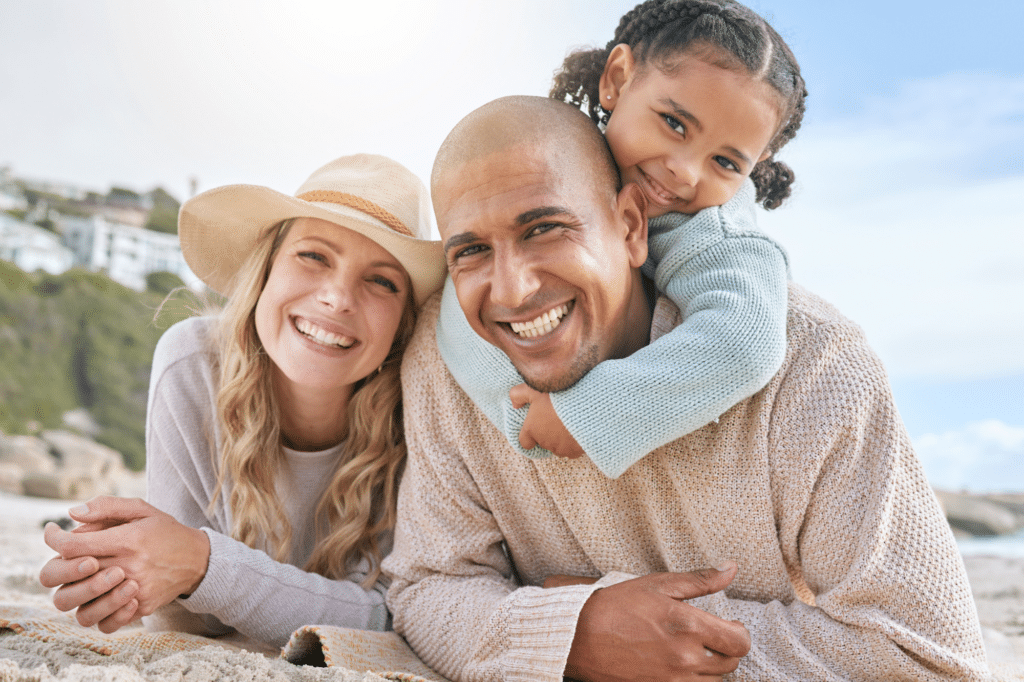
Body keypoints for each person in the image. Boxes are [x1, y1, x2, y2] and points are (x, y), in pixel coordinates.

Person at [382, 96, 989, 681]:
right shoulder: (446, 365)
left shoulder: (815, 366)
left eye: (545, 229)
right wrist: (577, 632)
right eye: (472, 252)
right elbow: (429, 587)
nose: (512, 291)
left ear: (630, 227)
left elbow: (929, 654)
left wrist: (626, 636)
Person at [38, 154, 446, 649]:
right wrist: (125, 566)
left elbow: (397, 618)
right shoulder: (192, 365)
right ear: (266, 271)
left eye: (382, 281)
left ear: (405, 320)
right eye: (313, 256)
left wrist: (199, 563)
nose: (338, 298)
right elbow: (181, 622)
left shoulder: (423, 411)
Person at [440, 0, 805, 478]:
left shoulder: (714, 229)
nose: (685, 170)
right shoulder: (547, 163)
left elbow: (745, 341)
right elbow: (457, 308)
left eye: (726, 163)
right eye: (674, 124)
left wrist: (591, 411)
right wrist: (521, 413)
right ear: (616, 79)